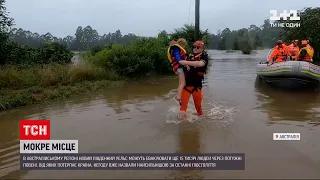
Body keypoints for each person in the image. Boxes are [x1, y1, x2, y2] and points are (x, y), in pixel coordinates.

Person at [178, 41, 208, 119]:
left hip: (196, 87)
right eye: (194, 47)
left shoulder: (204, 57)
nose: (195, 48)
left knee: (199, 111)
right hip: (186, 87)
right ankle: (182, 128)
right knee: (182, 111)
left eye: (197, 47)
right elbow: (178, 66)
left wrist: (185, 62)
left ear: (202, 49)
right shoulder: (188, 56)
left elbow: (200, 64)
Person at [167, 38, 189, 105]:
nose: (184, 47)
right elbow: (177, 57)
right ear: (182, 44)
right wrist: (185, 63)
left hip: (178, 67)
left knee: (180, 83)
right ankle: (178, 97)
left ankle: (179, 97)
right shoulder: (176, 48)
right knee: (183, 83)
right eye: (184, 45)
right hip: (179, 67)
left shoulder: (175, 47)